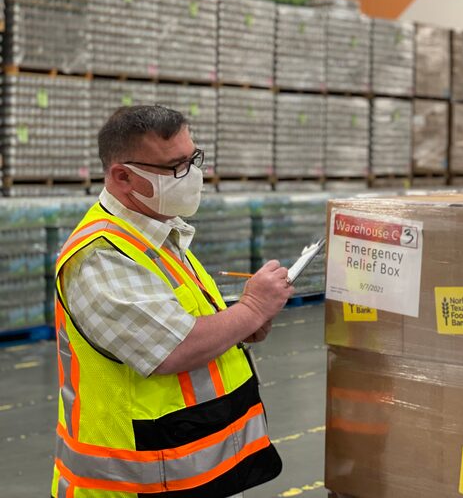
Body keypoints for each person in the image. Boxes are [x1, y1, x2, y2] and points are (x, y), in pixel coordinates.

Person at [51, 105, 292, 498]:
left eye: (193, 158)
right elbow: (172, 349)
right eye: (175, 166)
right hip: (130, 485)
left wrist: (245, 325)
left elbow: (188, 321)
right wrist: (250, 309)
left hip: (188, 469)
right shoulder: (100, 256)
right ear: (123, 177)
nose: (193, 175)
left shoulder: (161, 234)